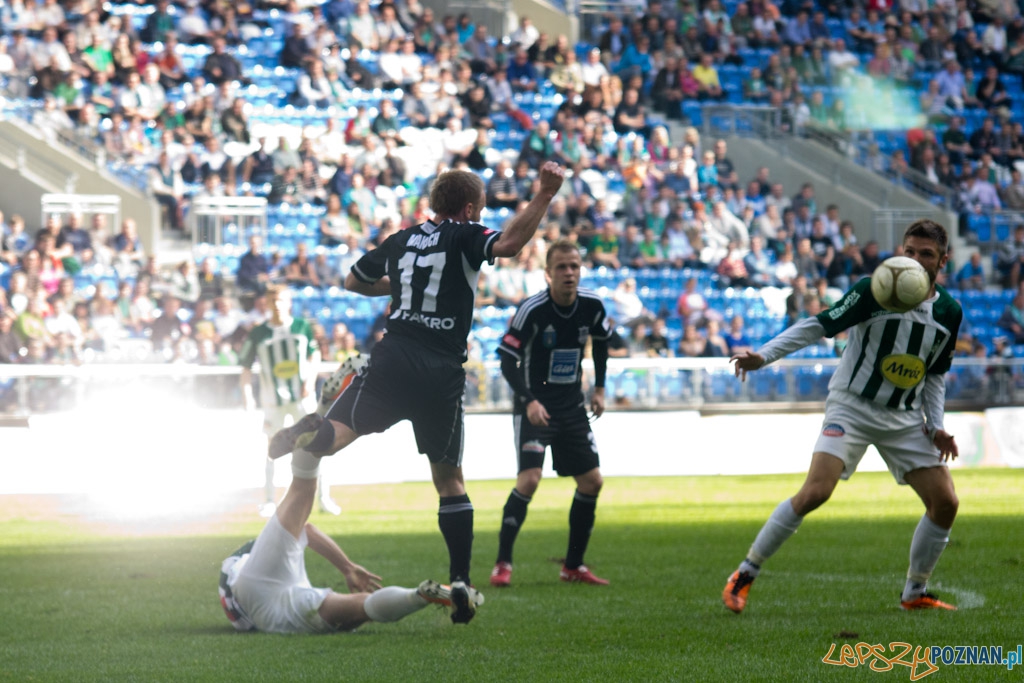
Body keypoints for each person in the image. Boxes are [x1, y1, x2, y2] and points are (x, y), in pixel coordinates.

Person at [265, 162, 568, 624]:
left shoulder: (403, 238)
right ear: (469, 209)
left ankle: (313, 433)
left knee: (338, 433)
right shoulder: (465, 234)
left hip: (395, 357)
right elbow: (507, 244)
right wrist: (544, 194)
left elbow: (353, 281)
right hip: (442, 371)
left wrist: (403, 287)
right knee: (450, 481)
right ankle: (462, 581)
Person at [722, 220, 963, 614]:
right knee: (816, 491)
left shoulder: (950, 312)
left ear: (943, 261)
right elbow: (819, 325)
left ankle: (915, 592)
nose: (915, 260)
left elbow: (934, 374)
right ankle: (745, 573)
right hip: (851, 406)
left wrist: (935, 427)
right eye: (909, 251)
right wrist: (763, 356)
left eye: (926, 254)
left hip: (903, 418)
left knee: (946, 502)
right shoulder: (875, 288)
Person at [219, 450, 476, 634]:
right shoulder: (245, 564)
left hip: (268, 611)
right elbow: (306, 529)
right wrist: (347, 567)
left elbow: (237, 616)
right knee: (302, 489)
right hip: (253, 585)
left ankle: (419, 596)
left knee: (365, 607)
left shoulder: (250, 596)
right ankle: (320, 418)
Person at [489, 239, 611, 589]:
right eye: (562, 267)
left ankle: (573, 566)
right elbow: (507, 359)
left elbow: (602, 343)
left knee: (592, 482)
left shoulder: (593, 305)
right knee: (529, 480)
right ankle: (503, 563)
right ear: (548, 273)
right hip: (535, 406)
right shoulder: (533, 310)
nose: (569, 273)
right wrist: (528, 400)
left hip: (571, 405)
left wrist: (599, 388)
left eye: (574, 266)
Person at [239, 285, 340, 517]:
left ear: (289, 302)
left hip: (302, 398)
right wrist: (247, 395)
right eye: (272, 299)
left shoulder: (302, 326)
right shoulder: (258, 333)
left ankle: (324, 498)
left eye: (281, 299)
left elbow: (314, 353)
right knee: (271, 448)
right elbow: (245, 367)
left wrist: (310, 379)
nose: (276, 304)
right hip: (272, 401)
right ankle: (268, 501)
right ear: (265, 302)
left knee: (317, 444)